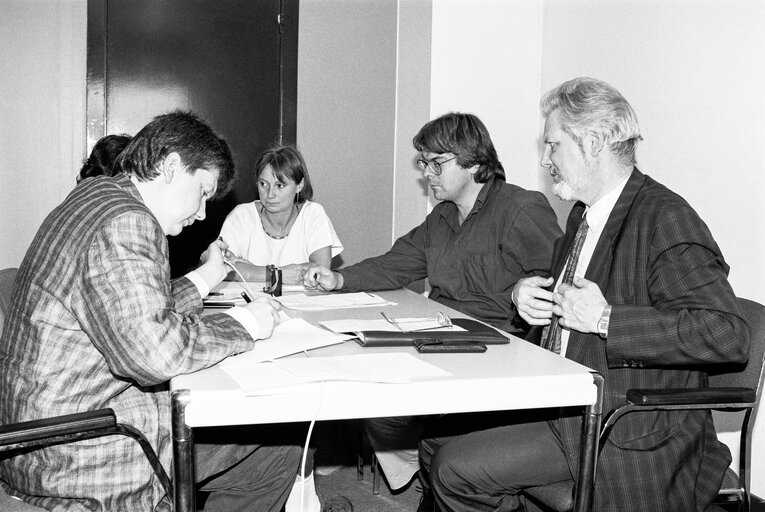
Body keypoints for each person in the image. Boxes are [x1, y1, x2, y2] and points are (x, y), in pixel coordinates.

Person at [419, 77, 751, 512]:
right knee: (433, 436)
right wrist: (526, 297)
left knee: (455, 467)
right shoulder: (583, 216)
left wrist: (605, 319)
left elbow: (727, 334)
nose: (543, 158)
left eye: (552, 145)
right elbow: (567, 309)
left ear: (592, 142)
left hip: (627, 422)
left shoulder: (665, 217)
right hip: (569, 403)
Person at [0, 111, 303, 512]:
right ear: (172, 167)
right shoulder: (128, 222)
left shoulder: (94, 198)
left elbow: (126, 311)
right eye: (202, 193)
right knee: (280, 448)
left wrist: (205, 278)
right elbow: (155, 354)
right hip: (87, 451)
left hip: (38, 436)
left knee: (269, 446)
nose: (200, 214)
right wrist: (246, 323)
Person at [303, 112, 561, 493]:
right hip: (440, 338)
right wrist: (340, 278)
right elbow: (396, 264)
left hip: (496, 351)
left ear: (474, 162)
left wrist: (524, 290)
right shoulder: (441, 217)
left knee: (409, 417)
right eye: (423, 163)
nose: (427, 173)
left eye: (437, 163)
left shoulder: (520, 208)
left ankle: (440, 473)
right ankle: (431, 474)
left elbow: (557, 278)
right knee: (372, 393)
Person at [219, 144, 343, 285]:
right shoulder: (241, 216)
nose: (270, 194)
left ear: (300, 185)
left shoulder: (313, 214)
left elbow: (319, 272)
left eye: (280, 185)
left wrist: (252, 270)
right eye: (263, 184)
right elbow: (222, 269)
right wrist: (278, 274)